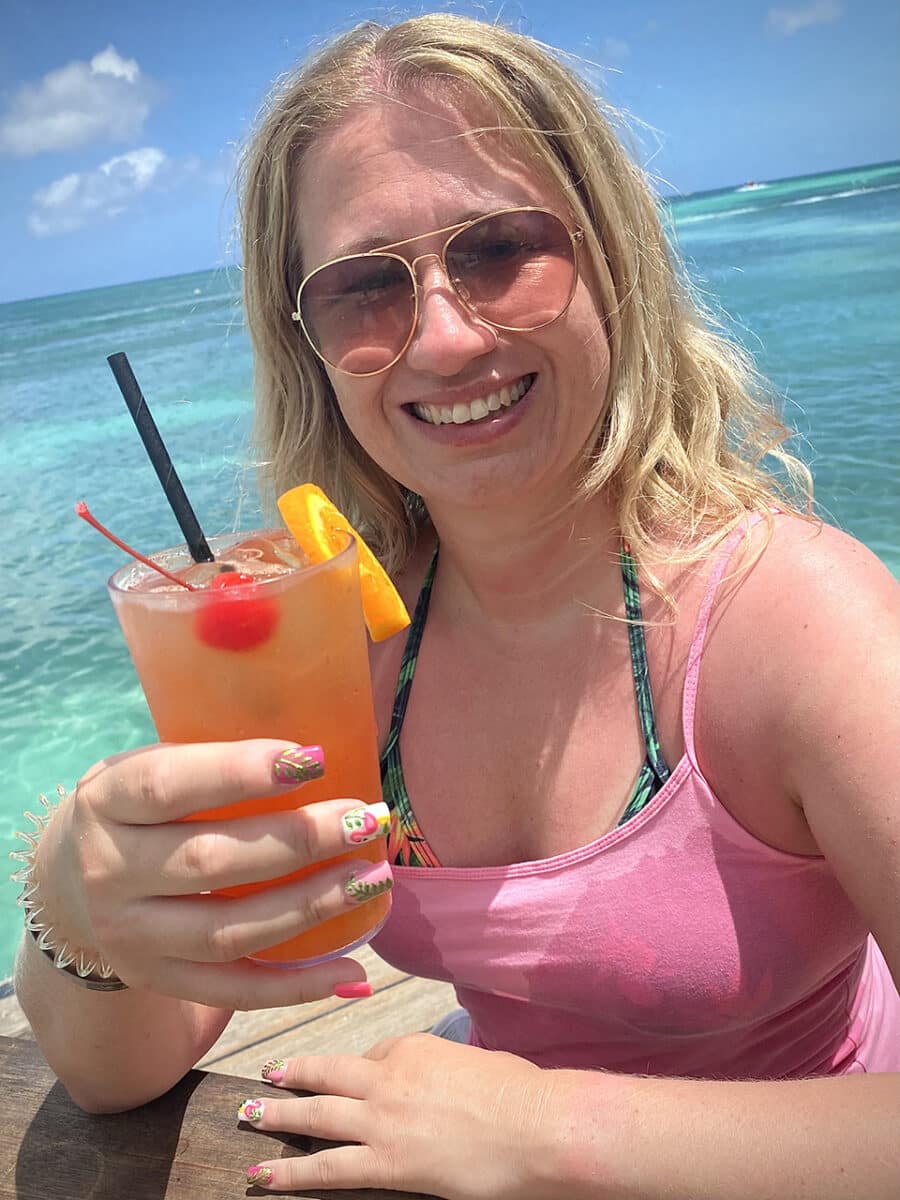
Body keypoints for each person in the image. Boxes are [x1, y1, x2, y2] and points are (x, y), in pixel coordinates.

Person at [14, 13, 899, 1199]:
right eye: (364, 286)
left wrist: (548, 1132)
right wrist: (79, 915)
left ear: (612, 257)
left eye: (501, 249)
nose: (442, 334)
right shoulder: (342, 638)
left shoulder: (794, 623)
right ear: (311, 342)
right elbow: (120, 1074)